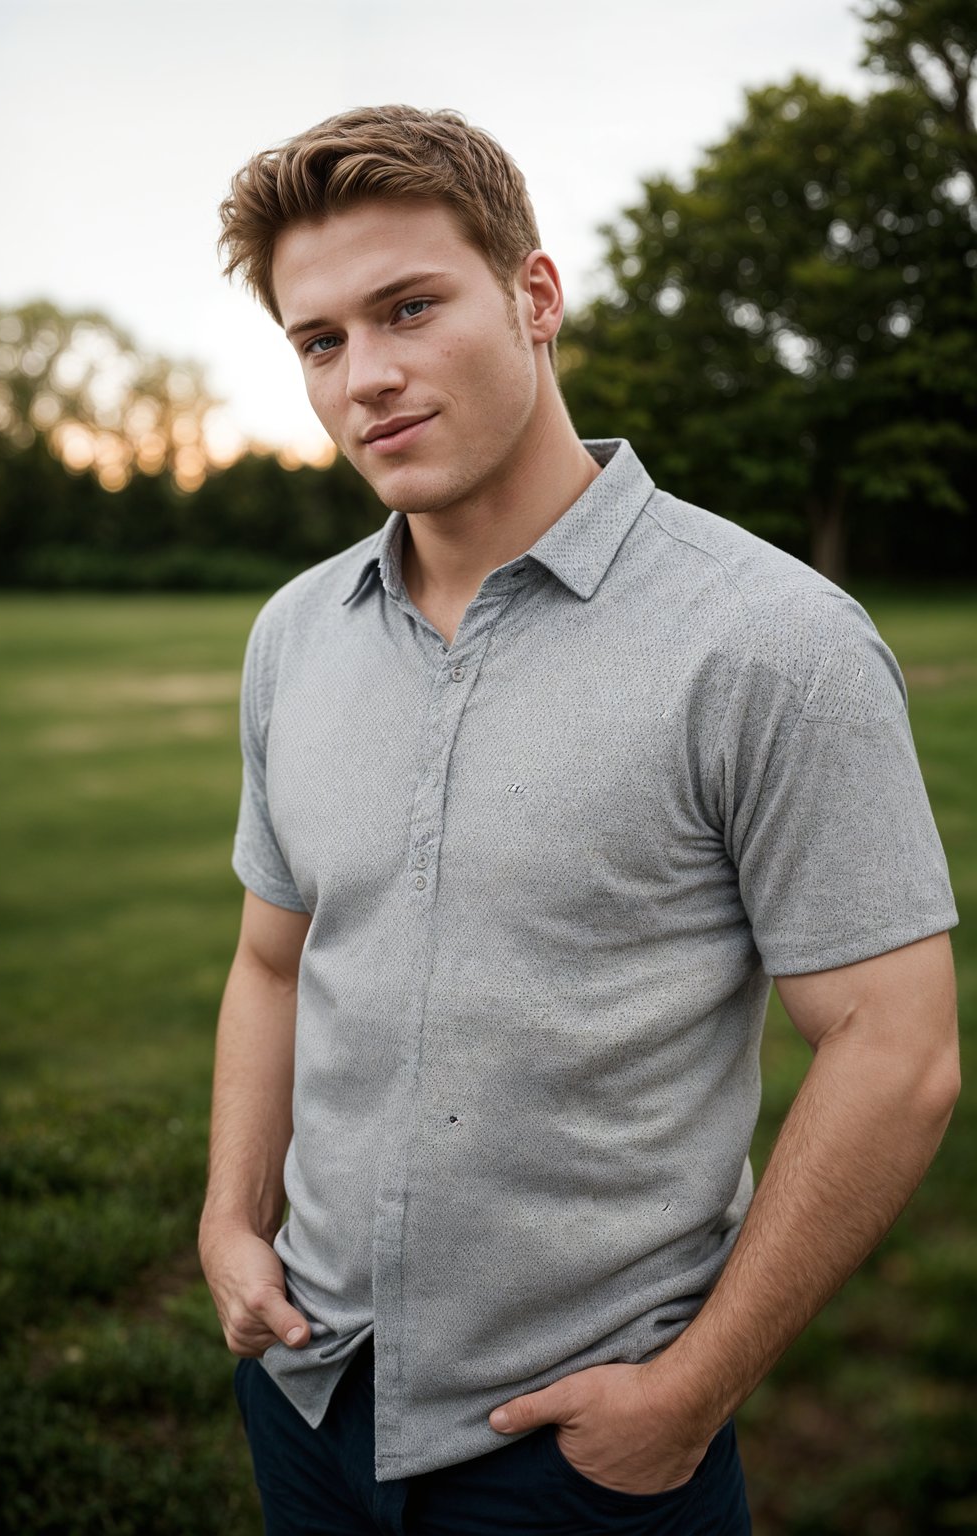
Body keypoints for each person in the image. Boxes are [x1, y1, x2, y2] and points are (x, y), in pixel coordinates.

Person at [198, 106, 960, 1536]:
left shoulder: (772, 639)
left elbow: (896, 1053)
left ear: (535, 298)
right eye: (320, 342)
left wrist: (691, 1393)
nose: (368, 377)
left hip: (581, 1458)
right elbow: (274, 962)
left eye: (410, 307)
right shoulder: (294, 636)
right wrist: (232, 1220)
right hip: (306, 1391)